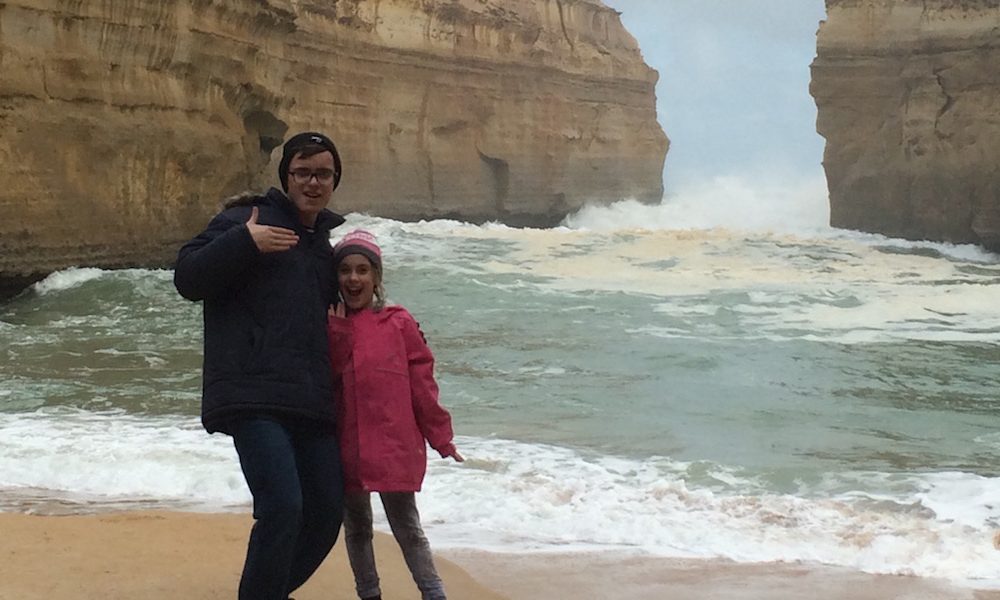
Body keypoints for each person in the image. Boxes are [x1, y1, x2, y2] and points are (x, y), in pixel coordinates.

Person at [173, 131, 347, 600]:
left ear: (335, 181)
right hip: (252, 394)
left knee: (326, 512)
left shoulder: (323, 248)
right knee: (283, 507)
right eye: (303, 172)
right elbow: (187, 278)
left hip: (310, 400)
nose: (313, 182)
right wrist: (243, 242)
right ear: (286, 177)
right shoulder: (245, 219)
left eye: (323, 174)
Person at [327, 229, 464, 600]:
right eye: (345, 270)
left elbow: (423, 386)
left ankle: (433, 593)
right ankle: (369, 593)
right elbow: (325, 383)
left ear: (376, 276)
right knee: (357, 528)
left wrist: (441, 436)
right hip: (347, 445)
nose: (353, 279)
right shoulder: (329, 323)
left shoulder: (399, 322)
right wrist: (337, 333)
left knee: (408, 527)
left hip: (394, 445)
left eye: (362, 270)